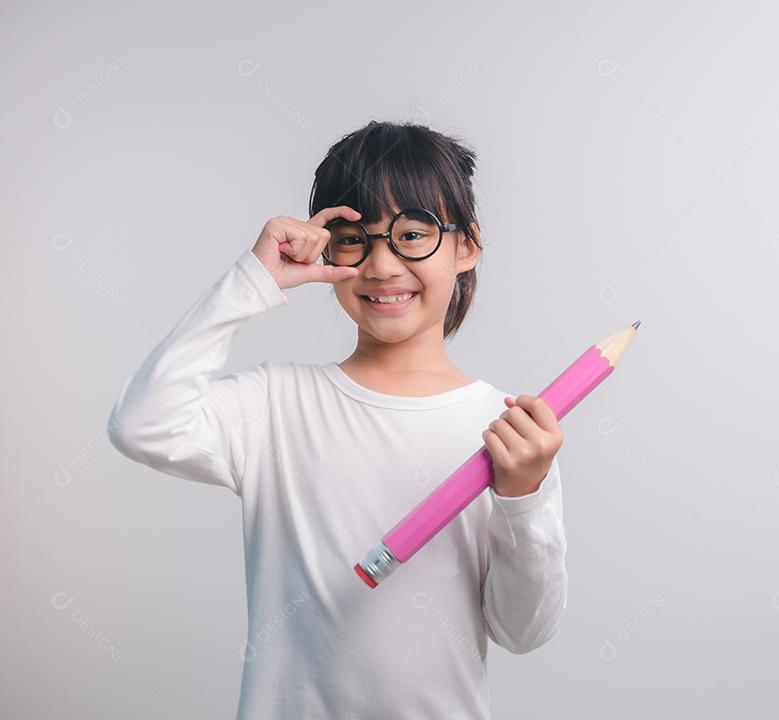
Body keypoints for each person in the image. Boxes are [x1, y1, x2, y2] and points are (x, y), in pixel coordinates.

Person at [106, 121, 568, 719]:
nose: (381, 265)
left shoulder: (507, 432)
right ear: (323, 246)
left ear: (466, 246)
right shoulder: (276, 404)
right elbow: (143, 424)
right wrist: (253, 280)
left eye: (412, 234)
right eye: (353, 238)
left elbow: (524, 631)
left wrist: (522, 498)